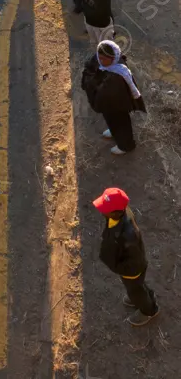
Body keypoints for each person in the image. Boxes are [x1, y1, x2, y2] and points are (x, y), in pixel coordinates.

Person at [92, 187, 159, 325]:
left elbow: (133, 259)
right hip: (131, 268)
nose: (101, 210)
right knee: (137, 286)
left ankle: (149, 310)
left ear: (116, 213)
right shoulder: (120, 215)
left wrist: (119, 268)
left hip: (131, 270)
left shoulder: (128, 236)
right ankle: (148, 296)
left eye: (105, 209)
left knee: (135, 290)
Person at [81, 39, 146, 155]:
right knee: (111, 120)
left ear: (113, 58)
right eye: (99, 57)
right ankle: (114, 131)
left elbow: (108, 93)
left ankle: (126, 146)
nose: (101, 61)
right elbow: (89, 70)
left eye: (104, 59)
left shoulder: (118, 74)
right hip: (108, 106)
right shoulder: (99, 60)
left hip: (117, 106)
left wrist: (93, 84)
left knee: (121, 123)